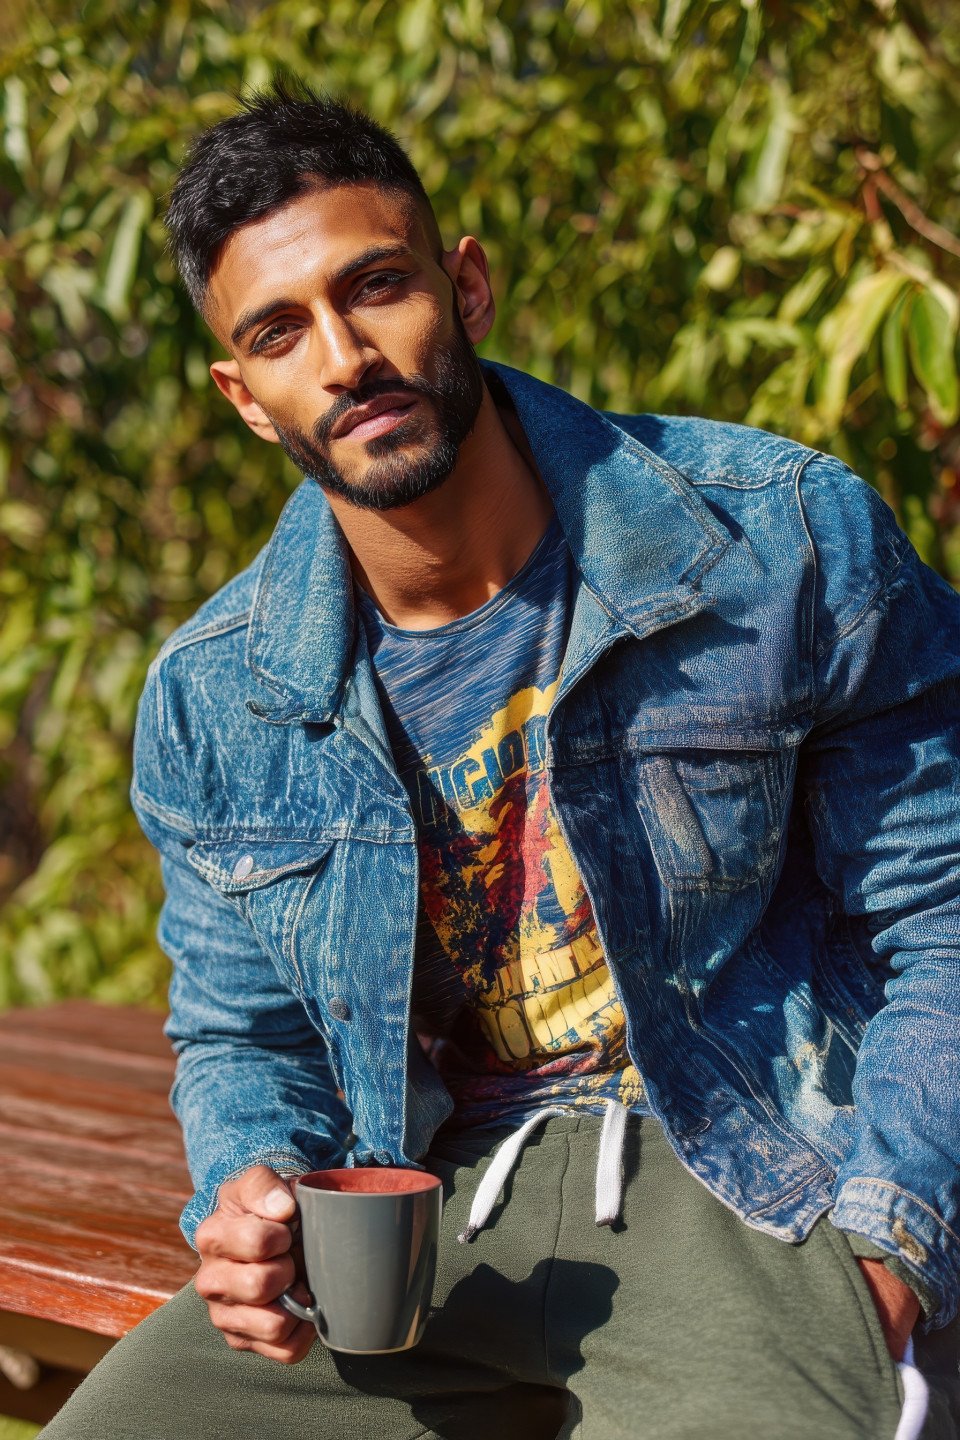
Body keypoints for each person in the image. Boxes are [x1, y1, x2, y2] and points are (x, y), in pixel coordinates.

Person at [42, 78, 960, 1440]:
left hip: (747, 1181)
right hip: (416, 1222)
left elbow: (943, 913)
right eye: (281, 332)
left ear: (465, 288)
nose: (345, 357)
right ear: (245, 396)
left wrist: (890, 1250)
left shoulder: (779, 540)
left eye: (377, 287)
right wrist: (250, 1192)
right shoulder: (217, 696)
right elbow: (246, 1036)